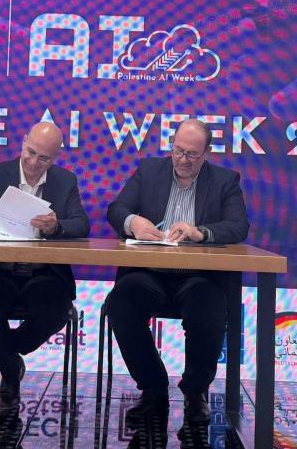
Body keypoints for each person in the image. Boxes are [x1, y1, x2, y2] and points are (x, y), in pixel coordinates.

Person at [106, 119, 249, 424]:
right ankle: (153, 387)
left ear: (206, 154)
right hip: (149, 273)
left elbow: (238, 226)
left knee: (209, 308)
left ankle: (195, 392)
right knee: (121, 302)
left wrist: (201, 233)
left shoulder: (225, 181)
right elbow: (117, 209)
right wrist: (133, 222)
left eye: (192, 155)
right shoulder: (148, 171)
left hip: (198, 276)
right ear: (171, 146)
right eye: (178, 151)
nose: (183, 160)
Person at [0, 122, 90, 413]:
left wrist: (56, 227)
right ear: (23, 142)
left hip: (44, 273)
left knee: (55, 311)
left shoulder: (65, 181)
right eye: (30, 152)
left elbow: (81, 225)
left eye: (43, 158)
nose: (34, 162)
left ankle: (1, 356)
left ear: (55, 157)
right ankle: (11, 374)